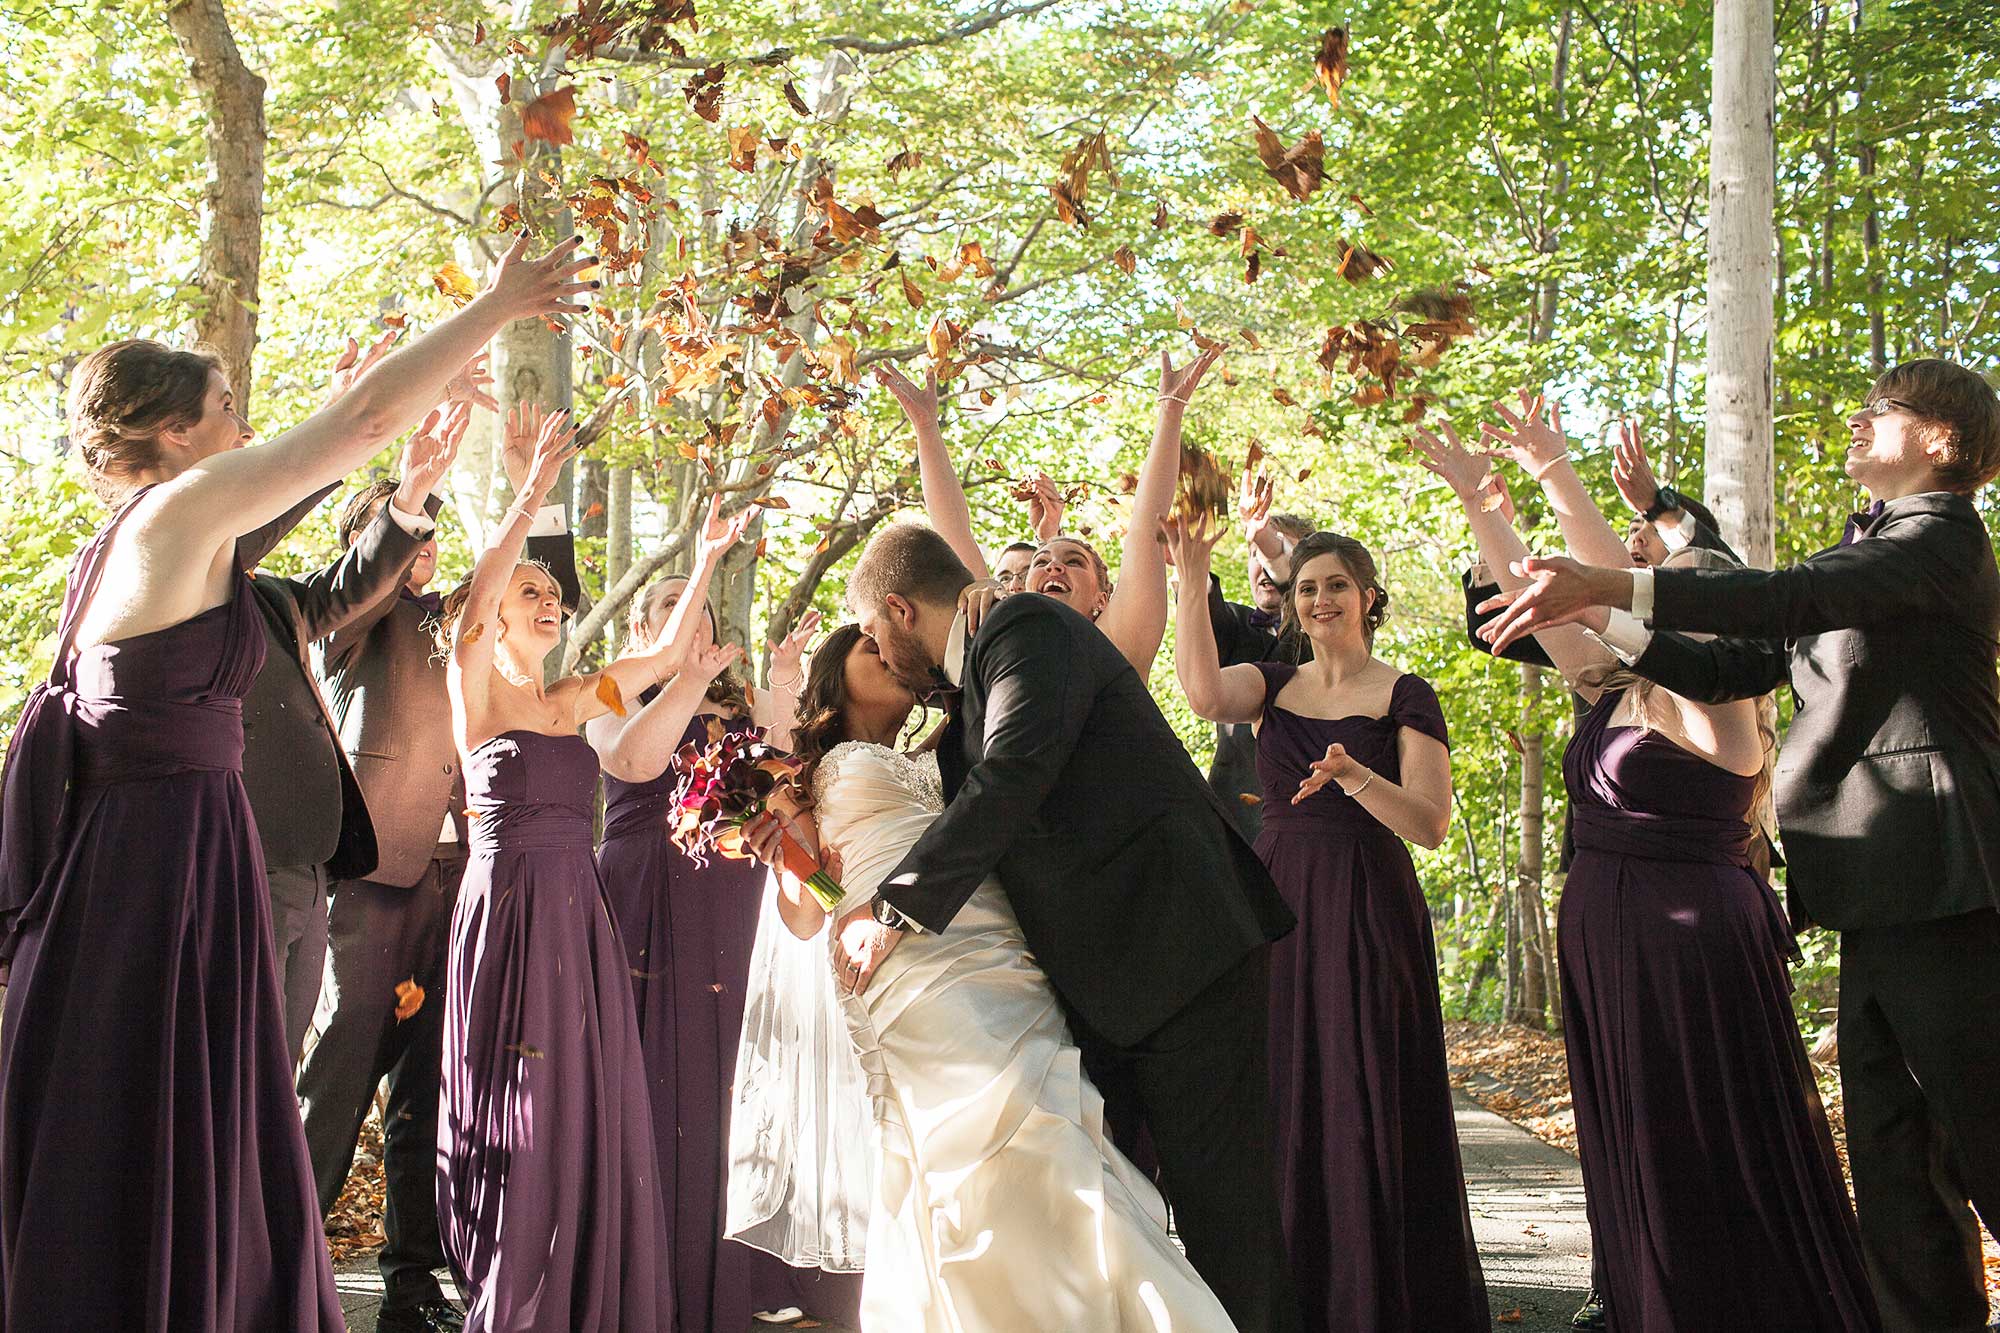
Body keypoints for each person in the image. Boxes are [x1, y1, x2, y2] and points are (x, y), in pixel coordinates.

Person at [0, 233, 590, 1331]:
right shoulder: (170, 521)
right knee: (162, 1110)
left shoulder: (176, 534)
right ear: (175, 434)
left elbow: (325, 472)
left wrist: (400, 458)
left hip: (188, 849)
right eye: (227, 408)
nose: (244, 428)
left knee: (206, 1116)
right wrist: (497, 307)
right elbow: (354, 429)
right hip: (153, 867)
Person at [1474, 359, 2000, 1333]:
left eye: (1875, 410)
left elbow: (1780, 598)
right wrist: (1606, 614)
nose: (1854, 418)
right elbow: (1735, 660)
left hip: (1947, 883)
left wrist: (1612, 577)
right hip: (1869, 893)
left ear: (1937, 440)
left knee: (1981, 1145)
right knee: (1894, 1170)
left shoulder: (1938, 541)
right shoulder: (1869, 546)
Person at [1417, 400, 1880, 1329]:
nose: (1652, 590)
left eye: (1676, 588)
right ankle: (1642, 1293)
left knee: (1694, 1127)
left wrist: (1577, 512)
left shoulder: (1721, 705)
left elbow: (1621, 597)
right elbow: (1546, 601)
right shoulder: (1613, 688)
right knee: (1630, 1124)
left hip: (1689, 944)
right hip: (1606, 932)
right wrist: (1487, 503)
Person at [828, 521, 1300, 1331]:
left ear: (900, 610)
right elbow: (948, 806)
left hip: (1180, 952)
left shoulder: (1026, 628)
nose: (874, 648)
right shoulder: (967, 688)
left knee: (1227, 1226)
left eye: (873, 630)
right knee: (1113, 1224)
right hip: (1101, 991)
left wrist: (895, 910)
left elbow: (1016, 769)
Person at [738, 621, 1238, 1331]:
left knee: (1054, 1120)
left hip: (997, 950)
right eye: (866, 644)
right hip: (901, 972)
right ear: (832, 673)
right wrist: (786, 856)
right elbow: (807, 911)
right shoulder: (801, 777)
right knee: (974, 1142)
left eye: (887, 640)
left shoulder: (943, 746)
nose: (884, 650)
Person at [298, 398, 580, 1333]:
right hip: (374, 882)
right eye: (406, 543)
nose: (427, 556)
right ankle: (280, 1265)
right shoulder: (351, 624)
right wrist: (406, 497)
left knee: (431, 1090)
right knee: (338, 1079)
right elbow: (368, 580)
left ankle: (412, 1284)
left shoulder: (459, 625)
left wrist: (531, 494)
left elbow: (539, 590)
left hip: (465, 886)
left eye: (429, 541)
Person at [1171, 518, 1488, 1332]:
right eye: (1307, 587)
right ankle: (1288, 1294)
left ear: (1368, 597)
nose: (1319, 599)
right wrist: (1193, 575)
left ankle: (1374, 1293)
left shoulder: (1405, 691)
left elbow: (1428, 822)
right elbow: (1202, 693)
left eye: (1336, 585)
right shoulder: (1274, 685)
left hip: (1370, 901)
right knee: (1282, 1080)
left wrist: (1354, 778)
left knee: (1363, 1077)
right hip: (1281, 901)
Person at [434, 407, 687, 1331]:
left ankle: (579, 1272)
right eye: (529, 591)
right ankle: (503, 1271)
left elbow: (657, 660)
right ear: (498, 609)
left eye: (556, 595)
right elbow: (473, 596)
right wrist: (531, 487)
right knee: (510, 1083)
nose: (547, 602)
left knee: (576, 1087)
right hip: (504, 905)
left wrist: (706, 561)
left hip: (577, 909)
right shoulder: (477, 688)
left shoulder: (579, 695)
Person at [586, 500, 850, 1332]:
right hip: (641, 897)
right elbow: (634, 756)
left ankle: (739, 1272)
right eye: (669, 605)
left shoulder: (735, 706)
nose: (686, 614)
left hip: (733, 906)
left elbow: (786, 782)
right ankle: (648, 1266)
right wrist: (687, 677)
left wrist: (777, 688)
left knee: (738, 1078)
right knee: (650, 1076)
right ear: (641, 624)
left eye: (694, 604)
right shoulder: (600, 689)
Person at [235, 366, 470, 1063]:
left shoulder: (448, 615)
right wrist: (393, 474)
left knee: (430, 1068)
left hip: (451, 859)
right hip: (366, 862)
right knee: (335, 1056)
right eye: (402, 527)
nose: (421, 535)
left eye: (429, 527)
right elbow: (358, 590)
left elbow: (539, 595)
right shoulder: (345, 618)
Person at [878, 349, 1217, 674]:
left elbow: (1145, 525)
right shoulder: (991, 633)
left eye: (1074, 562)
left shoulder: (1119, 643)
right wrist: (926, 428)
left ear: (1103, 598)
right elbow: (954, 531)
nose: (1054, 565)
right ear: (1020, 590)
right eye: (1040, 562)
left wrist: (1170, 410)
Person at [1202, 467, 1312, 839]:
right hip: (1235, 819)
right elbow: (1199, 609)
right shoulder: (1231, 622)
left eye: (1274, 552)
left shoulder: (1329, 625)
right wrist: (1191, 555)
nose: (1263, 565)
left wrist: (1268, 542)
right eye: (1254, 553)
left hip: (1312, 813)